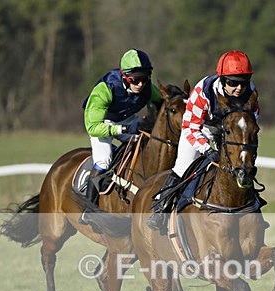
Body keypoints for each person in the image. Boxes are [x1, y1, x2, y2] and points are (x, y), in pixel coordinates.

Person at [146, 50, 260, 231]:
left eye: (243, 82)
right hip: (200, 128)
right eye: (233, 82)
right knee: (183, 165)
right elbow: (191, 128)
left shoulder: (251, 92)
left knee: (241, 165)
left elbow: (251, 123)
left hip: (228, 131)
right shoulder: (203, 92)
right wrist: (207, 149)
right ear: (222, 79)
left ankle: (252, 205)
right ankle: (161, 208)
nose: (239, 88)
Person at [79, 49, 163, 225]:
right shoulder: (105, 89)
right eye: (135, 80)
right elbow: (93, 127)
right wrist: (124, 128)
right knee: (104, 161)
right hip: (102, 122)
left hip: (126, 119)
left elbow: (163, 104)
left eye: (145, 78)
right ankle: (88, 209)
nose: (140, 84)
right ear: (124, 76)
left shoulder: (147, 88)